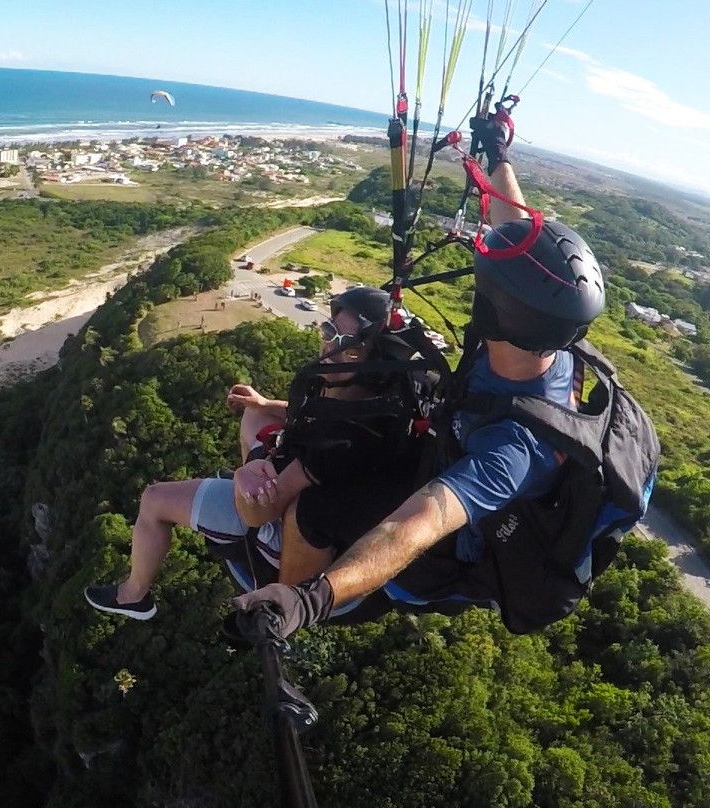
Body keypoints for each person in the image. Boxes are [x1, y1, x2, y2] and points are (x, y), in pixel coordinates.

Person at [234, 112, 607, 637]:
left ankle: (289, 606)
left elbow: (418, 525)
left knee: (312, 513)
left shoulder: (515, 447)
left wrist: (310, 599)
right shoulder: (544, 336)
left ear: (496, 313)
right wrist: (497, 156)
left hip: (452, 549)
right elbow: (518, 231)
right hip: (442, 448)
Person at [84, 285, 421, 619]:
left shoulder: (342, 439)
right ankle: (246, 477)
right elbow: (306, 412)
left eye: (349, 347)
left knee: (154, 500)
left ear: (373, 363)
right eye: (329, 330)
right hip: (292, 482)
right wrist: (263, 405)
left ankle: (133, 595)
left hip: (276, 531)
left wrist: (252, 467)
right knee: (254, 414)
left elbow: (259, 513)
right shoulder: (356, 398)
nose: (330, 346)